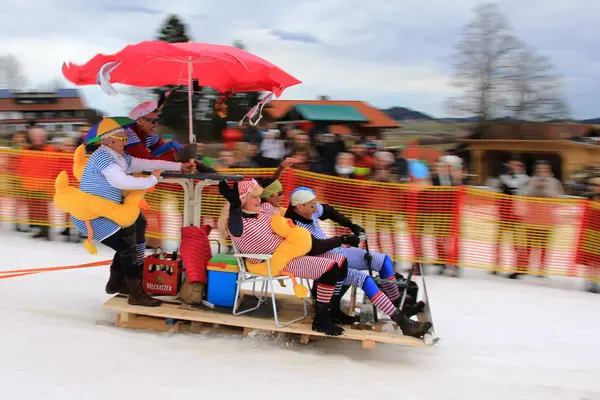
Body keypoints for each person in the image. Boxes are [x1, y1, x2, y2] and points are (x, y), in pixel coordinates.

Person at [284, 187, 431, 338]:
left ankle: (399, 308)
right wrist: (342, 240)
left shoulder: (308, 208)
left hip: (335, 253)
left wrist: (352, 226)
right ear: (300, 207)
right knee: (364, 279)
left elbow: (328, 210)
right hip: (322, 261)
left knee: (384, 260)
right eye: (312, 206)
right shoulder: (293, 224)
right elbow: (314, 247)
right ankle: (402, 321)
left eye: (315, 204)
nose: (316, 208)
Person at [72, 127, 194, 306]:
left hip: (108, 212)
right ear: (107, 141)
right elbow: (123, 181)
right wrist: (152, 180)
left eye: (125, 138)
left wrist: (178, 166)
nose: (125, 142)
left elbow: (145, 163)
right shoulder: (103, 158)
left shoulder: (120, 157)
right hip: (92, 216)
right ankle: (136, 293)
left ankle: (116, 283)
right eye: (121, 139)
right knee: (126, 246)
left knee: (137, 225)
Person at [217, 179, 349, 336]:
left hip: (288, 252)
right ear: (242, 200)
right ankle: (321, 319)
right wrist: (235, 205)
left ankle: (332, 309)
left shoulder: (260, 214)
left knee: (341, 262)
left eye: (258, 196)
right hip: (273, 262)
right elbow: (236, 227)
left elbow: (270, 186)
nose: (259, 200)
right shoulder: (238, 223)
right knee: (331, 268)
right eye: (253, 197)